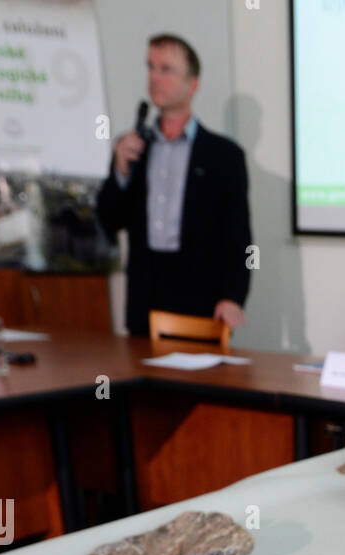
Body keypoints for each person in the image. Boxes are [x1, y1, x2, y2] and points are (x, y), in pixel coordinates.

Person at [97, 33, 252, 337]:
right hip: (145, 305)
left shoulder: (224, 156)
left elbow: (239, 237)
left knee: (196, 385)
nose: (154, 77)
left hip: (201, 304)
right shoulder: (132, 148)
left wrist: (232, 296)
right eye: (150, 67)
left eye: (166, 69)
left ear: (192, 84)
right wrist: (119, 172)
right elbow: (108, 220)